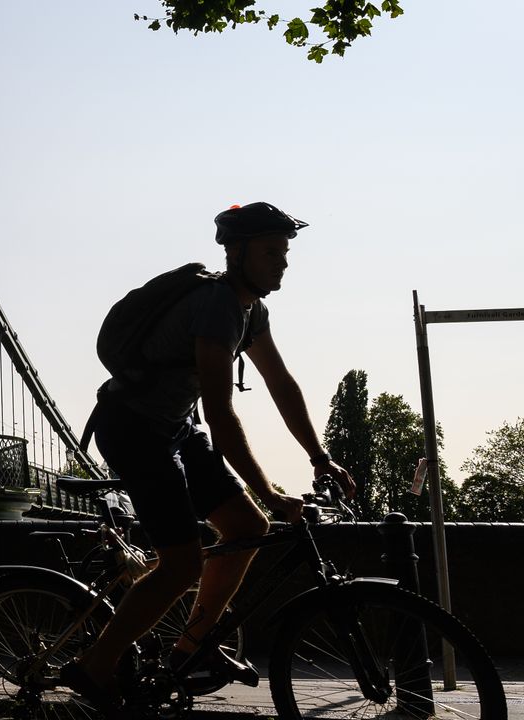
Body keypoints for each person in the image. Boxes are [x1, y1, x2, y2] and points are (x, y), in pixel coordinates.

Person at [62, 201, 356, 713]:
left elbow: (281, 385)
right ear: (237, 253)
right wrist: (270, 490)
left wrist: (319, 456)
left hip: (175, 428)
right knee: (182, 564)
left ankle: (191, 647)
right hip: (132, 429)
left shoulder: (252, 310)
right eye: (271, 253)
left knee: (249, 526)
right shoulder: (216, 305)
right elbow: (221, 413)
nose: (282, 263)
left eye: (285, 253)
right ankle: (94, 666)